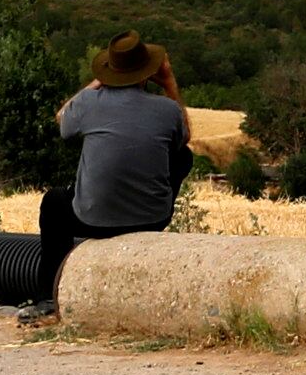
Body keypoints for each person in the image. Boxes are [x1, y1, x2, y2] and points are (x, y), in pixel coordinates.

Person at [35, 35, 191, 307]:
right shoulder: (168, 109)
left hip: (92, 221)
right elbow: (185, 137)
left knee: (53, 202)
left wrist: (95, 83)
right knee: (183, 157)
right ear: (148, 71)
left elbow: (61, 118)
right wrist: (169, 84)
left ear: (109, 71)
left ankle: (49, 296)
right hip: (152, 219)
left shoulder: (89, 103)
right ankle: (150, 211)